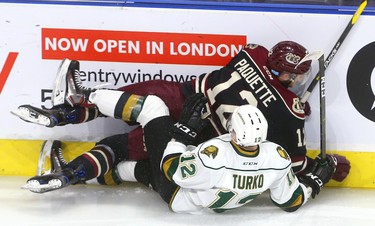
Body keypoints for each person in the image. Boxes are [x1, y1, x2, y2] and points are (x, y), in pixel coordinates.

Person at [14, 41, 350, 191]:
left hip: (184, 95)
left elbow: (262, 77)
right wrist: (328, 166)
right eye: (300, 73)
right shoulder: (291, 113)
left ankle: (66, 111)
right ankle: (71, 174)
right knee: (119, 146)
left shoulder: (255, 52)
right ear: (290, 76)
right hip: (196, 133)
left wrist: (282, 89)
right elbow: (293, 163)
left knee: (124, 98)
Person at [25, 92, 336, 214]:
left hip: (176, 189)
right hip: (192, 203)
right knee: (129, 168)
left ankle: (75, 105)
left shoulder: (215, 153)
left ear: (234, 131)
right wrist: (315, 182)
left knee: (153, 108)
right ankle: (69, 174)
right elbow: (290, 201)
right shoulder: (277, 158)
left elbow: (173, 169)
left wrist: (184, 131)